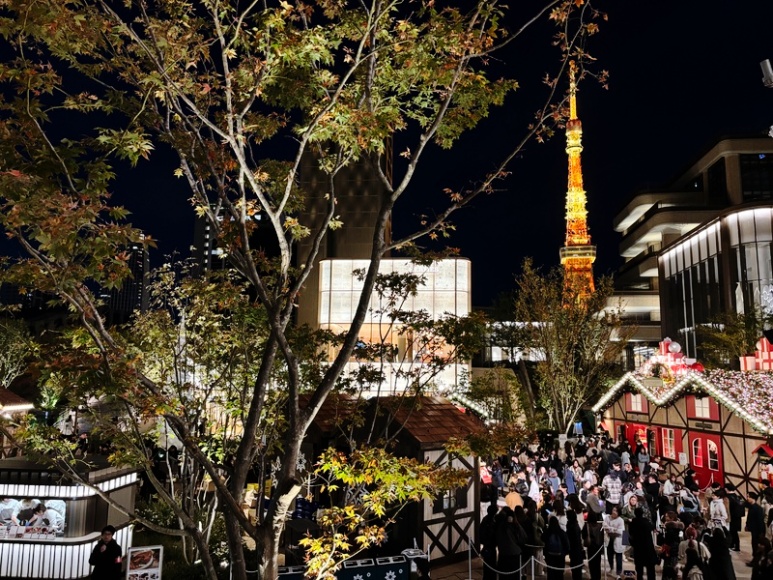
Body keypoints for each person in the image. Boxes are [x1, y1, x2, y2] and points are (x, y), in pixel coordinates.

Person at [542, 515, 569, 580]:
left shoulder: (547, 532)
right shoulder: (562, 533)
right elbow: (567, 546)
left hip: (550, 557)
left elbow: (542, 539)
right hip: (560, 557)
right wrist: (564, 553)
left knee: (551, 575)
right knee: (559, 575)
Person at [602, 506, 625, 579]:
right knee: (609, 555)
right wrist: (613, 529)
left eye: (615, 511)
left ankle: (618, 572)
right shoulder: (607, 518)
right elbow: (605, 526)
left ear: (618, 513)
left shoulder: (621, 520)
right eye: (613, 510)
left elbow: (620, 531)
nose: (613, 512)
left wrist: (611, 529)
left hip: (618, 540)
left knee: (619, 556)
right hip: (609, 539)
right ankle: (611, 568)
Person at [583, 510, 604, 580]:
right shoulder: (600, 526)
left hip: (591, 547)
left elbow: (583, 535)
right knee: (597, 565)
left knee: (592, 564)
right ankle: (598, 577)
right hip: (598, 548)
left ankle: (593, 577)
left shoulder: (586, 526)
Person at [478, 504, 498, 580]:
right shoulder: (490, 521)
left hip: (489, 545)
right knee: (490, 565)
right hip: (489, 546)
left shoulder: (485, 519)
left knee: (488, 565)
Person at [745, 491, 766, 557]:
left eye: (748, 497)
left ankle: (756, 561)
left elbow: (760, 521)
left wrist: (761, 532)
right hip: (753, 529)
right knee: (754, 545)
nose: (747, 498)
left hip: (757, 531)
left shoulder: (758, 508)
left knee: (756, 546)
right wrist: (747, 525)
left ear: (753, 498)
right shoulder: (751, 507)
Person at [565, 510, 584, 580]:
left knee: (576, 569)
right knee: (576, 569)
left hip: (575, 549)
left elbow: (574, 538)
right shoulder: (574, 525)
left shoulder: (572, 526)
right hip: (575, 549)